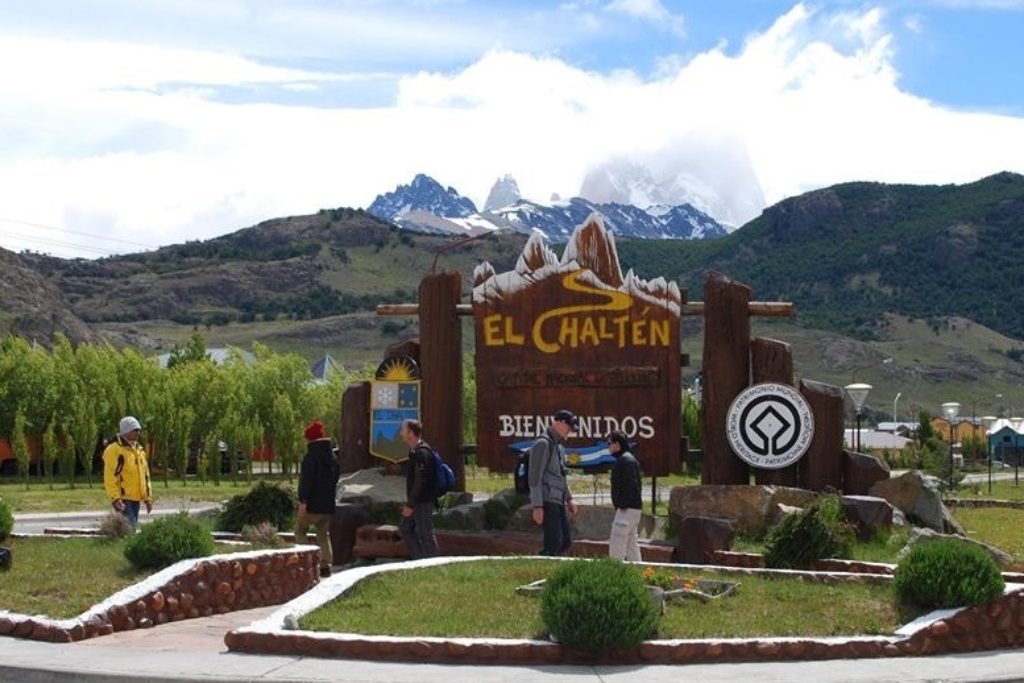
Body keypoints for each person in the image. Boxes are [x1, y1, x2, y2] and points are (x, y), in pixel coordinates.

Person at [529, 409, 580, 556]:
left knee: (564, 541)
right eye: (568, 427)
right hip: (547, 500)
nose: (569, 431)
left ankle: (544, 561)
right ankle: (541, 567)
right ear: (558, 422)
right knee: (554, 543)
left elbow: (561, 476)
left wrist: (569, 498)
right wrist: (537, 505)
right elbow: (534, 477)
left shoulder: (559, 447)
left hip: (558, 500)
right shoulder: (542, 444)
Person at [296, 419, 341, 578]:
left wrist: (303, 501)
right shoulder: (333, 457)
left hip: (312, 505)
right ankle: (326, 565)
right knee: (323, 534)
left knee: (301, 530)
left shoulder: (311, 457)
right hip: (328, 505)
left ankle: (307, 560)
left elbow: (306, 481)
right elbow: (335, 479)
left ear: (310, 439)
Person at [102, 416, 153, 530]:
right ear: (125, 431)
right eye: (134, 430)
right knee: (129, 529)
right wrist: (115, 498)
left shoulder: (139, 451)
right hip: (123, 498)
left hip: (136, 498)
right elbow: (110, 476)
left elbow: (145, 475)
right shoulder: (114, 450)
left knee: (131, 529)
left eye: (138, 430)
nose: (137, 433)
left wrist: (147, 498)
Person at [398, 419, 439, 560]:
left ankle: (432, 563)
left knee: (425, 533)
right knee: (405, 528)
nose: (401, 432)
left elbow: (420, 480)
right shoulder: (414, 451)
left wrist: (410, 504)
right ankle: (419, 560)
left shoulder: (422, 452)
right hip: (416, 500)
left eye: (403, 429)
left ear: (410, 432)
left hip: (423, 501)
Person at [607, 430, 643, 561]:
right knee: (631, 546)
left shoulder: (625, 461)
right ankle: (639, 575)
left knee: (617, 546)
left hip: (626, 510)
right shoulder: (628, 459)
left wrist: (622, 503)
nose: (608, 446)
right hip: (633, 509)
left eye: (609, 443)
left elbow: (631, 485)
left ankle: (615, 576)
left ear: (617, 444)